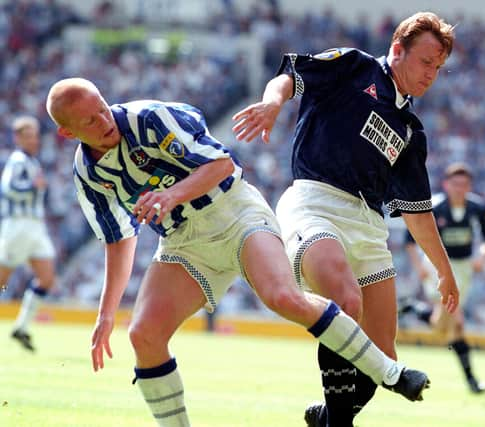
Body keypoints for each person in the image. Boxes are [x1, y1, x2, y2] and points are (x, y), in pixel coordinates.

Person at [45, 77, 430, 427]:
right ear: (67, 133)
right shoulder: (88, 174)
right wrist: (106, 314)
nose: (103, 119)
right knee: (144, 335)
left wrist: (172, 194)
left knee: (283, 297)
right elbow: (118, 238)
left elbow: (221, 165)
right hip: (184, 241)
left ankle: (392, 373)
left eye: (101, 106)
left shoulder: (148, 118)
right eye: (90, 121)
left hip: (236, 211)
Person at [232, 11, 459, 427]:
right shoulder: (355, 66)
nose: (431, 74)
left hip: (369, 225)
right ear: (397, 49)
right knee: (345, 299)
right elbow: (291, 74)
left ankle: (329, 417)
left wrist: (443, 270)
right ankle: (339, 424)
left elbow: (417, 211)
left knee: (382, 355)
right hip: (315, 202)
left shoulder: (410, 128)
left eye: (439, 68)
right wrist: (271, 103)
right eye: (426, 62)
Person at [402, 162, 485, 393]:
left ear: (469, 186)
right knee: (458, 322)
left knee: (442, 328)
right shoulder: (435, 207)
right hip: (438, 264)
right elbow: (410, 238)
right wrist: (419, 267)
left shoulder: (479, 207)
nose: (459, 188)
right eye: (455, 183)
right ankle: (472, 381)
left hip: (464, 268)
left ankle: (414, 309)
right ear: (446, 184)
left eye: (464, 184)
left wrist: (482, 258)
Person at [0, 115, 57, 352]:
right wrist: (33, 187)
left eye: (35, 136)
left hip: (35, 226)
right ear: (18, 138)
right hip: (19, 225)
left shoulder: (32, 162)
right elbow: (9, 188)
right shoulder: (18, 160)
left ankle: (21, 327)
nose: (33, 140)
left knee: (46, 278)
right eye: (28, 136)